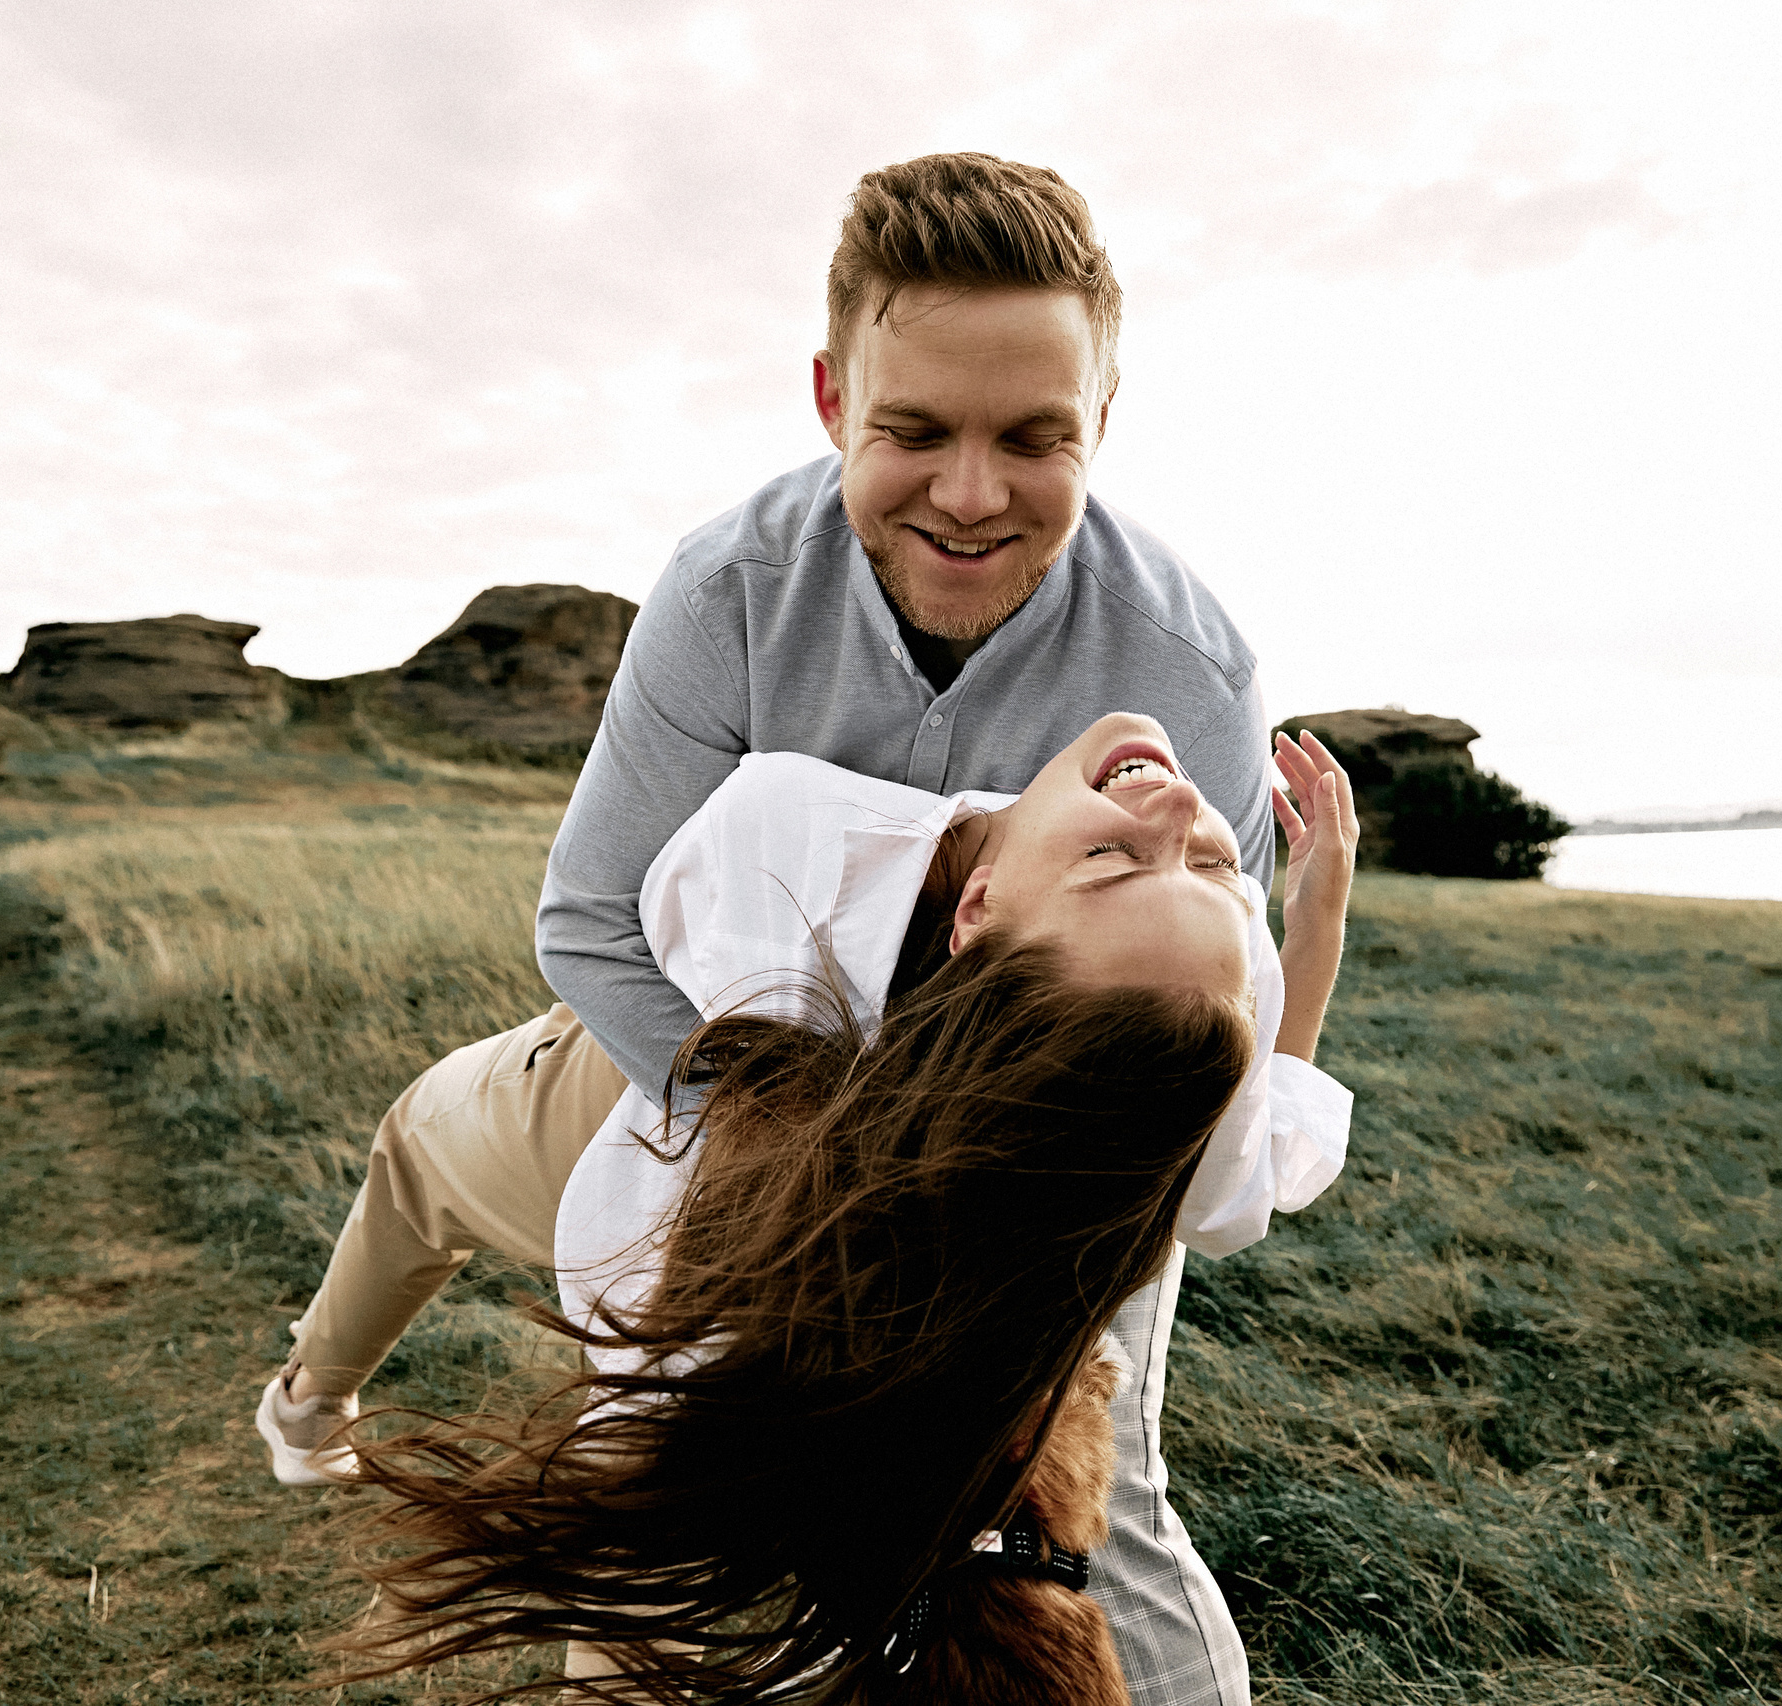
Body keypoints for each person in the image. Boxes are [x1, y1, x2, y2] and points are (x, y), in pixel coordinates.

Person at [271, 151, 1304, 1705]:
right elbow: (591, 920)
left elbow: (1188, 1036)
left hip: (1031, 1165)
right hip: (734, 1072)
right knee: (459, 1180)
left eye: (1035, 436)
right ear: (831, 400)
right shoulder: (728, 592)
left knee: (1109, 1503)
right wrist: (795, 1149)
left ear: (1104, 420)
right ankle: (310, 1400)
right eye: (913, 430)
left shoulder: (1193, 673)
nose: (970, 492)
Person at [299, 716, 1356, 1702]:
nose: (1181, 818)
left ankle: (306, 1399)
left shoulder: (792, 853)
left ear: (976, 909)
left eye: (1117, 862)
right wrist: (1311, 918)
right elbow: (1250, 1176)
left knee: (415, 1147)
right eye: (1217, 865)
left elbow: (651, 1440)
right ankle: (313, 1400)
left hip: (652, 1105)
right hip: (700, 1096)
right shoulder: (1198, 1005)